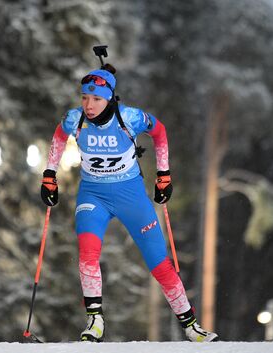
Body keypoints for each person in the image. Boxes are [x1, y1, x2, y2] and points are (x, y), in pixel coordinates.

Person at [40, 62, 218, 342]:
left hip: (131, 196)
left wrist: (164, 175)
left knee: (159, 263)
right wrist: (49, 175)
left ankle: (191, 325)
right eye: (85, 97)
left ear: (110, 97)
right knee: (87, 254)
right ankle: (95, 321)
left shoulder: (130, 118)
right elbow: (59, 138)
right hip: (93, 195)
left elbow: (159, 132)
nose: (89, 104)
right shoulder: (75, 119)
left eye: (96, 99)